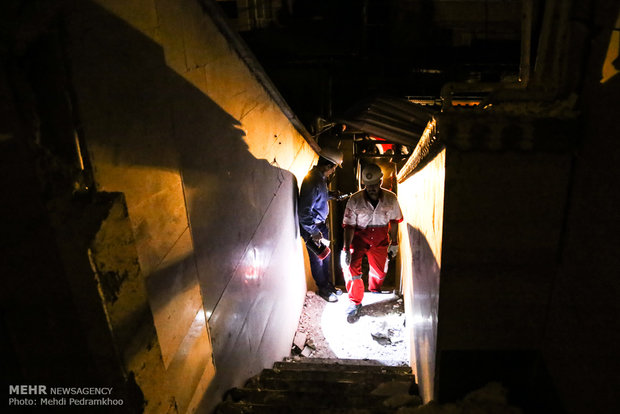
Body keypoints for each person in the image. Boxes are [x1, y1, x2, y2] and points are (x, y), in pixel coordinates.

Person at [341, 163, 403, 322]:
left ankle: (374, 290)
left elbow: (395, 221)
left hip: (381, 239)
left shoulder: (391, 198)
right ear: (364, 184)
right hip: (359, 238)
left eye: (374, 185)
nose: (371, 188)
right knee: (352, 269)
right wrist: (347, 248)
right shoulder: (354, 200)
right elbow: (348, 226)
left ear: (381, 182)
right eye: (368, 186)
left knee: (380, 270)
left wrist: (394, 242)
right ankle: (355, 302)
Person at [298, 147, 344, 302]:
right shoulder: (312, 181)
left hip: (320, 225)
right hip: (313, 228)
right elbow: (304, 212)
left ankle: (328, 285)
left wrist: (330, 195)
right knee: (318, 259)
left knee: (326, 256)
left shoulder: (320, 179)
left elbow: (317, 199)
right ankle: (323, 289)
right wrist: (313, 231)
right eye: (334, 168)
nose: (333, 171)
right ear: (328, 165)